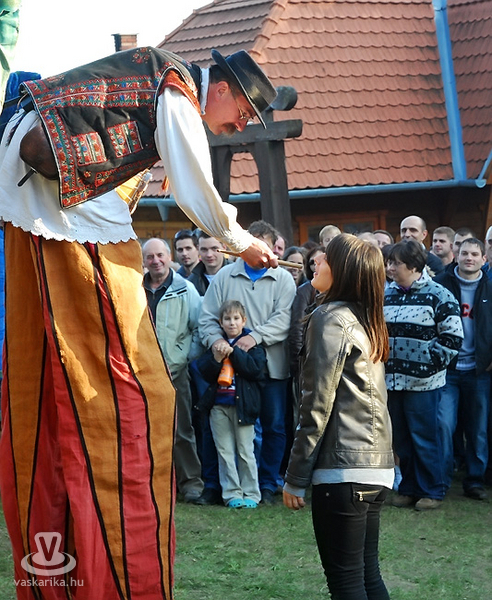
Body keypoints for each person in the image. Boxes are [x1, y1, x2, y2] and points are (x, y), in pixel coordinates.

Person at [0, 46, 277, 597]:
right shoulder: (177, 89)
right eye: (243, 112)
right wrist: (240, 240)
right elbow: (194, 184)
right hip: (64, 213)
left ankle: (63, 552)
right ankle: (119, 562)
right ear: (221, 88)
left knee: (55, 381)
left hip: (37, 196)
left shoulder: (158, 84)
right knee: (137, 392)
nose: (239, 126)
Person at [283, 233, 394, 600]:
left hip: (344, 469)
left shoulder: (330, 318)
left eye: (326, 258)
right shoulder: (364, 318)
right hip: (374, 467)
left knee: (348, 584)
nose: (316, 260)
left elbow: (317, 403)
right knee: (367, 578)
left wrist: (295, 477)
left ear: (343, 270)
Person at [199, 220, 296, 505]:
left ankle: (266, 484)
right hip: (231, 372)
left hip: (272, 366)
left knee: (274, 426)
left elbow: (284, 318)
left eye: (265, 246)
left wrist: (255, 337)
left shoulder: (283, 279)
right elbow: (207, 318)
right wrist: (216, 342)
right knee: (223, 429)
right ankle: (218, 486)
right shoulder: (225, 276)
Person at [384, 240, 463, 510]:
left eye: (396, 263)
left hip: (424, 383)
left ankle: (432, 490)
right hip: (393, 382)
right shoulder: (386, 295)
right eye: (390, 262)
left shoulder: (439, 295)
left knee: (425, 437)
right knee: (401, 439)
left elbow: (453, 337)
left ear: (414, 266)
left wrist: (429, 364)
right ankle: (409, 488)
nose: (390, 268)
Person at [142, 238, 204, 503]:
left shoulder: (185, 289)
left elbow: (199, 328)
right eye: (150, 257)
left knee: (181, 429)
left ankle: (191, 483)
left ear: (169, 257)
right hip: (141, 372)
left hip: (175, 372)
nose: (155, 261)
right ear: (144, 261)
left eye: (160, 255)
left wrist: (182, 358)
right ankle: (153, 484)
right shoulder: (135, 289)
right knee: (145, 431)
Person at [434, 238, 492, 501]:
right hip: (449, 369)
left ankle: (475, 480)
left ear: (483, 259)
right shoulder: (441, 285)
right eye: (465, 253)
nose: (469, 258)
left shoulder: (490, 286)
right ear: (456, 256)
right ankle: (443, 478)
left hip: (479, 370)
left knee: (478, 428)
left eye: (475, 254)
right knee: (444, 424)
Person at [195, 300, 266, 509]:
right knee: (224, 450)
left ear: (244, 321)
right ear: (220, 322)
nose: (232, 323)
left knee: (245, 450)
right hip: (219, 405)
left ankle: (251, 493)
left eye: (236, 319)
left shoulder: (252, 345)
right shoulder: (217, 344)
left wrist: (235, 353)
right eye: (227, 319)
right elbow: (204, 372)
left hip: (244, 407)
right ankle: (231, 493)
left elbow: (255, 370)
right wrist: (216, 359)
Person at [187, 230, 230, 296]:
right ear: (198, 249)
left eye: (214, 248)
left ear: (224, 248)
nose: (209, 255)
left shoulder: (237, 274)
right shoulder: (192, 282)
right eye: (204, 249)